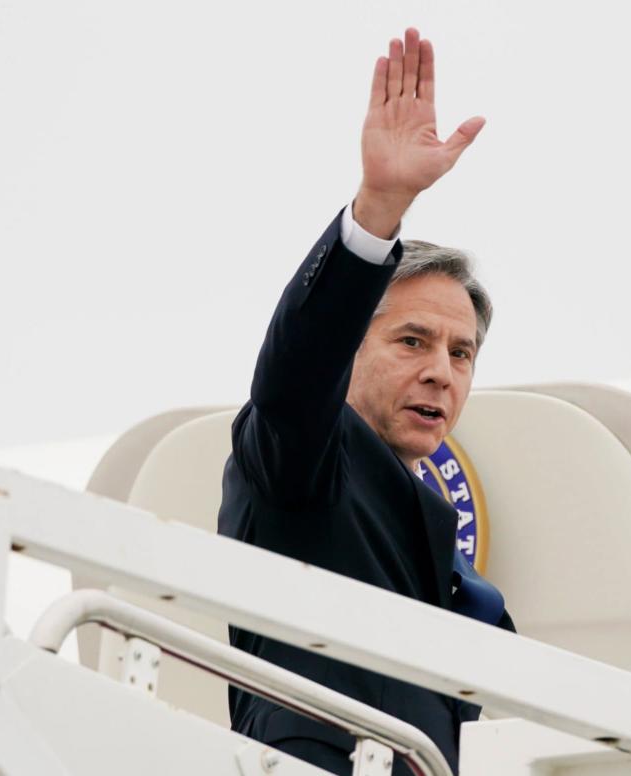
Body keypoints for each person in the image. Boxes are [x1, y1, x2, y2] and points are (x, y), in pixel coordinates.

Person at [217, 27, 515, 776]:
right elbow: (297, 368)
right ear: (352, 347)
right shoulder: (300, 462)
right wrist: (380, 206)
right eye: (411, 342)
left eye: (461, 353)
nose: (441, 373)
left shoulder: (443, 550)